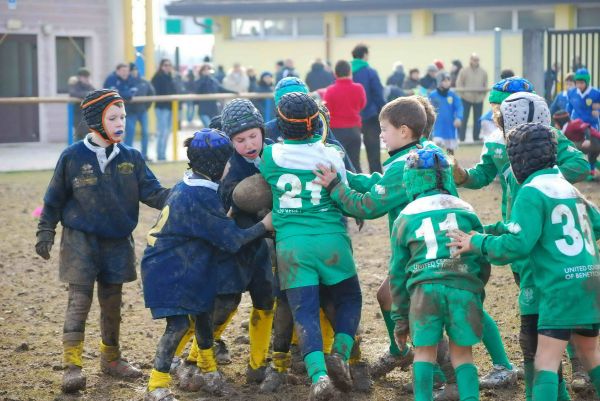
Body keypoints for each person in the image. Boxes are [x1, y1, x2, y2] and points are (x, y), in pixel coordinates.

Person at [448, 122, 600, 401]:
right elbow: (597, 223)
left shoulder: (530, 191)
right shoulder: (568, 188)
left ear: (518, 160)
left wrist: (476, 242)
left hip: (559, 286)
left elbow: (517, 246)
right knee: (591, 353)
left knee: (545, 360)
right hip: (590, 280)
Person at [35, 89, 170, 394]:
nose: (121, 122)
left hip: (117, 241)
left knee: (112, 302)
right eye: (113, 117)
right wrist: (45, 231)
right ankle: (72, 366)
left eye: (122, 116)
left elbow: (154, 192)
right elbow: (53, 198)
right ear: (97, 120)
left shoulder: (132, 158)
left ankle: (111, 358)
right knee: (79, 300)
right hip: (79, 241)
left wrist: (186, 194)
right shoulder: (72, 156)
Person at [141, 128, 274, 401]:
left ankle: (209, 371)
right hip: (169, 268)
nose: (229, 166)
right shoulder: (201, 195)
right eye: (226, 161)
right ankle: (156, 385)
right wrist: (264, 225)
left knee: (203, 314)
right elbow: (234, 241)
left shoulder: (190, 182)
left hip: (185, 263)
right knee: (177, 326)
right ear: (218, 166)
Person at [260, 92, 363, 400]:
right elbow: (343, 189)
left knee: (303, 312)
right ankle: (341, 354)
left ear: (280, 124)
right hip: (331, 239)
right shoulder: (331, 154)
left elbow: (259, 184)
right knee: (350, 299)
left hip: (293, 245)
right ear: (316, 121)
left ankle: (318, 377)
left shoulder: (271, 156)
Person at [390, 148, 489, 401]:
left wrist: (401, 319)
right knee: (463, 353)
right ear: (446, 176)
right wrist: (476, 288)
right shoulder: (466, 209)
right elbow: (482, 256)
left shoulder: (405, 217)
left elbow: (398, 274)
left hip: (425, 290)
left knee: (424, 351)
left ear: (410, 179)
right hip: (461, 285)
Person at [323, 60, 366, 173]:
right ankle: (358, 187)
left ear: (335, 74)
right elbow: (362, 104)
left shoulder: (330, 90)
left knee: (337, 162)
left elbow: (327, 110)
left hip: (336, 131)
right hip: (354, 130)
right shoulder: (359, 88)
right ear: (350, 72)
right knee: (355, 162)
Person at [351, 43, 386, 173]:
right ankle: (376, 180)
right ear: (365, 55)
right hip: (370, 116)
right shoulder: (370, 72)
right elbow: (378, 94)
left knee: (352, 155)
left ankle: (355, 180)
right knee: (373, 153)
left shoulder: (346, 72)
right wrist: (383, 111)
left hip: (352, 118)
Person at [553, 109, 600, 181]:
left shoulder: (573, 124)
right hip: (594, 142)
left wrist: (587, 139)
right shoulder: (565, 129)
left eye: (556, 123)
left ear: (560, 122)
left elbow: (586, 128)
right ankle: (591, 174)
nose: (555, 125)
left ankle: (586, 172)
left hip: (595, 140)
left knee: (574, 149)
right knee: (592, 158)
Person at [429, 72, 463, 155]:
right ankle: (437, 166)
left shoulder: (452, 94)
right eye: (444, 80)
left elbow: (459, 107)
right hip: (437, 127)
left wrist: (458, 117)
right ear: (439, 82)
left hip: (450, 127)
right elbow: (428, 109)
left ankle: (450, 166)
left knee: (450, 151)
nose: (447, 82)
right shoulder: (432, 95)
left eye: (448, 80)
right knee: (436, 149)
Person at [456, 53, 488, 142]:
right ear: (470, 60)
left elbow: (485, 85)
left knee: (478, 120)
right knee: (464, 119)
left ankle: (476, 138)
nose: (475, 61)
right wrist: (462, 95)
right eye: (474, 59)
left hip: (478, 99)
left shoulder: (483, 72)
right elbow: (459, 84)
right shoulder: (464, 71)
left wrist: (482, 97)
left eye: (477, 59)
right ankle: (461, 138)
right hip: (465, 98)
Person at [125, 63, 155, 160]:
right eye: (131, 70)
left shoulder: (144, 81)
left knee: (145, 133)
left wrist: (146, 107)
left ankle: (144, 155)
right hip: (130, 112)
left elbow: (151, 93)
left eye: (135, 70)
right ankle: (127, 156)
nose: (134, 72)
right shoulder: (125, 82)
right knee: (130, 133)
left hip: (142, 111)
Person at [194, 63, 236, 128]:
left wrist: (234, 92)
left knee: (215, 129)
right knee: (209, 128)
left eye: (208, 69)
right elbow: (197, 90)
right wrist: (205, 78)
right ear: (201, 71)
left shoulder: (213, 81)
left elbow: (221, 89)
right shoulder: (198, 81)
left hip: (213, 109)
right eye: (205, 70)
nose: (207, 71)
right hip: (203, 110)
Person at [151, 59, 177, 161]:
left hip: (170, 107)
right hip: (161, 107)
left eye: (169, 65)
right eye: (166, 65)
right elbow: (155, 92)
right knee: (162, 132)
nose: (168, 67)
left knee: (167, 132)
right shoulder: (157, 77)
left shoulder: (171, 77)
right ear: (161, 66)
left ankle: (163, 154)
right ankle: (160, 155)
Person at [68, 67, 95, 141]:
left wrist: (89, 85)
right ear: (80, 77)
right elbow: (74, 93)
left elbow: (96, 93)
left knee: (88, 135)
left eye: (87, 77)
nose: (86, 78)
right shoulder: (75, 84)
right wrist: (88, 94)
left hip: (88, 114)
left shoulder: (89, 85)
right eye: (84, 76)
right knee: (80, 135)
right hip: (78, 113)